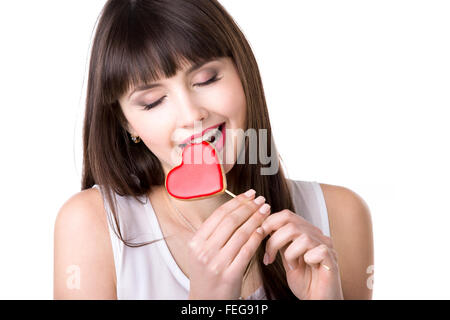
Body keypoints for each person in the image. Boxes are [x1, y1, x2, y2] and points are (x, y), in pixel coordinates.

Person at [54, 0, 374, 300]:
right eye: (153, 101)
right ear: (127, 124)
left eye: (207, 79)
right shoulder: (90, 226)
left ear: (241, 70)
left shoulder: (340, 215)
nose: (191, 114)